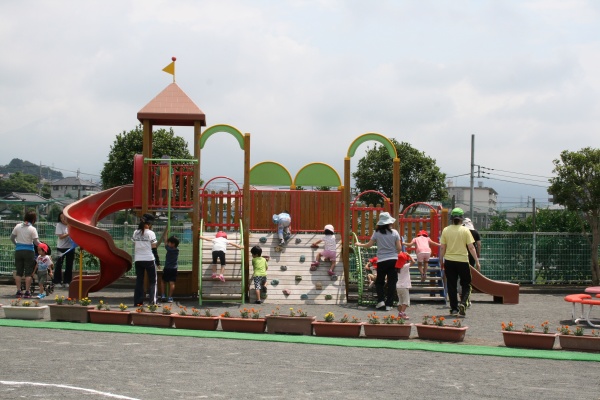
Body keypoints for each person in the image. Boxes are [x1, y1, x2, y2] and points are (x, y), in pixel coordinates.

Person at [355, 212, 403, 311]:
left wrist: (359, 244)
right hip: (393, 260)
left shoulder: (377, 233)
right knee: (392, 282)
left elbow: (369, 245)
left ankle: (381, 301)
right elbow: (399, 248)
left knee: (379, 282)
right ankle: (389, 304)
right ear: (389, 222)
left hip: (381, 260)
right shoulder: (394, 232)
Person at [439, 207, 481, 317]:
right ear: (461, 219)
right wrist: (477, 261)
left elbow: (442, 247)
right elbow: (471, 247)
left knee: (452, 285)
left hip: (449, 261)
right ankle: (463, 303)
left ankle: (453, 309)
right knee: (466, 284)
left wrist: (441, 260)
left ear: (451, 218)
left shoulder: (446, 230)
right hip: (463, 261)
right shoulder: (465, 230)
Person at [11, 210, 41, 298]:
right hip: (29, 251)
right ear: (33, 220)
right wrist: (42, 245)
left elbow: (12, 238)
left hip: (19, 251)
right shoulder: (32, 229)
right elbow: (36, 242)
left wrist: (17, 244)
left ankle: (18, 291)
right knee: (28, 273)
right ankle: (27, 292)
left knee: (19, 272)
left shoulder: (18, 226)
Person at [133, 213, 160, 306]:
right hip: (149, 259)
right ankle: (153, 301)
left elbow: (134, 244)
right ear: (149, 224)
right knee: (153, 281)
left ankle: (138, 302)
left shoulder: (135, 232)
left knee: (139, 281)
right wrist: (158, 261)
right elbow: (154, 248)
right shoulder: (151, 233)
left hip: (138, 260)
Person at [54, 211, 75, 288]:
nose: (63, 219)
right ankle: (57, 281)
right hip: (61, 247)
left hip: (70, 247)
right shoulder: (59, 225)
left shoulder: (71, 225)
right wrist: (69, 233)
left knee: (69, 265)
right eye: (61, 218)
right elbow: (61, 236)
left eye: (64, 218)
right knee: (59, 265)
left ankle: (67, 281)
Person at [159, 235, 180, 303]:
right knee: (172, 283)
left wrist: (165, 238)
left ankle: (163, 295)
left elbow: (165, 245)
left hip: (167, 268)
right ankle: (170, 297)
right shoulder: (176, 250)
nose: (168, 244)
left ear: (173, 244)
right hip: (174, 269)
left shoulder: (169, 249)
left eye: (169, 242)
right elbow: (167, 245)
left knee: (162, 281)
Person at [396, 251, 415, 320]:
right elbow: (413, 262)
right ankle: (402, 313)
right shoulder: (405, 266)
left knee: (401, 301)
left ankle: (400, 313)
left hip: (398, 286)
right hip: (404, 286)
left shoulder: (398, 268)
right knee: (406, 301)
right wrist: (409, 255)